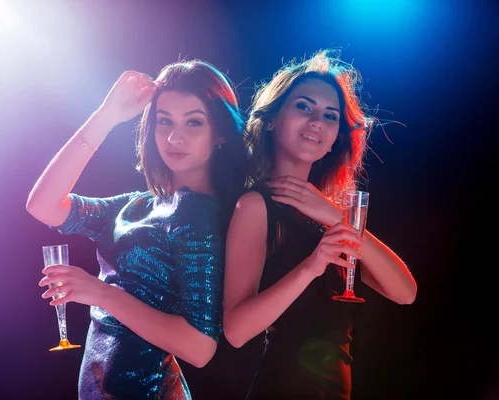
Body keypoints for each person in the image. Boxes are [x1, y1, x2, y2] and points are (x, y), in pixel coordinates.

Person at [26, 59, 249, 399]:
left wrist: (100, 294)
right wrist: (107, 115)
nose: (175, 137)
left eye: (194, 122)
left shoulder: (199, 215)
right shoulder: (139, 204)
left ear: (219, 133)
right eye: (164, 121)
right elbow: (43, 205)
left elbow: (200, 347)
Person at [219, 49, 418, 399]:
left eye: (330, 116)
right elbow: (236, 330)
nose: (317, 122)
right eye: (303, 107)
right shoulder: (255, 205)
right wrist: (312, 266)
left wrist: (335, 217)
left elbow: (405, 292)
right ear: (272, 119)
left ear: (334, 140)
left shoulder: (330, 216)